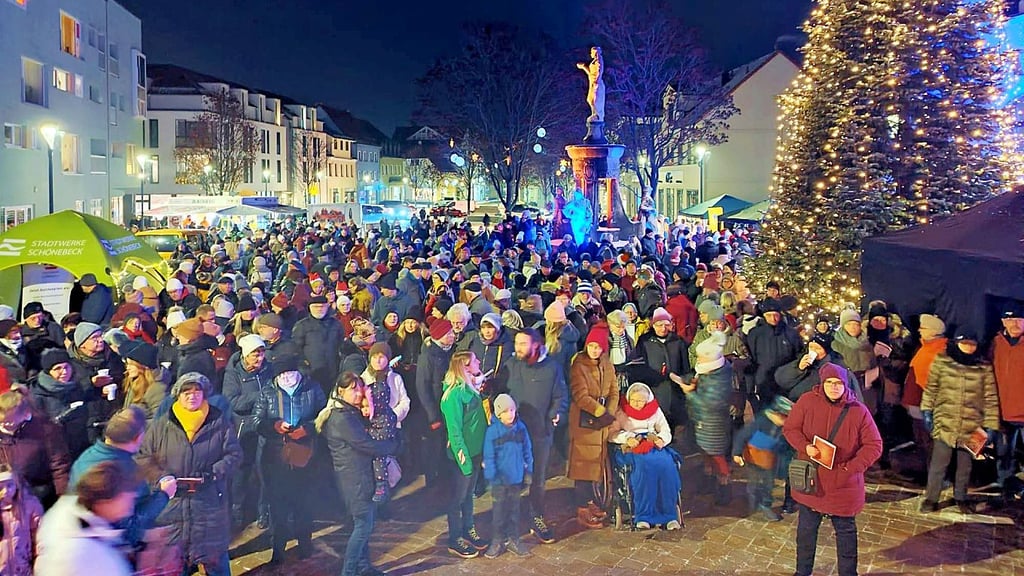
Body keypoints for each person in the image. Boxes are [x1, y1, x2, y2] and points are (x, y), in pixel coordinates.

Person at [136, 372, 242, 576]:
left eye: (197, 391)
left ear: (204, 394)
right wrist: (161, 478)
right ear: (177, 395)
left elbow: (234, 455)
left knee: (215, 558)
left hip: (209, 502)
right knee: (175, 562)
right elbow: (144, 458)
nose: (192, 396)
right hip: (172, 504)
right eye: (186, 392)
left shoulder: (218, 421)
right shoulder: (162, 425)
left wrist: (213, 474)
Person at [783, 362, 882, 576]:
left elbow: (874, 445)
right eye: (829, 382)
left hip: (842, 484)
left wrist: (851, 468)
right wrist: (805, 446)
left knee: (846, 535)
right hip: (813, 481)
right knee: (806, 534)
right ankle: (802, 572)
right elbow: (790, 429)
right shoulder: (807, 402)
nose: (834, 387)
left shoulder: (858, 412)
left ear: (846, 386)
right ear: (822, 383)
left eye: (838, 383)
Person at [317, 372, 400, 576]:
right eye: (353, 389)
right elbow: (366, 444)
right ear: (340, 391)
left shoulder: (350, 413)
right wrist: (391, 445)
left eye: (359, 388)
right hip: (354, 479)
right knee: (363, 526)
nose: (358, 393)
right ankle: (349, 571)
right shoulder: (342, 418)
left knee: (365, 525)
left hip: (359, 477)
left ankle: (363, 567)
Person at [254, 355, 326, 564]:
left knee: (304, 502)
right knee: (278, 505)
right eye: (282, 374)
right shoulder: (267, 391)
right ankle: (278, 549)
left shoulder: (312, 388)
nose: (286, 377)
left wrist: (309, 428)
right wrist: (274, 426)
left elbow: (324, 414)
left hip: (305, 454)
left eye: (290, 373)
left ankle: (305, 544)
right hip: (276, 456)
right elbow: (257, 420)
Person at [919, 331, 999, 514]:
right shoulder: (943, 361)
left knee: (965, 465)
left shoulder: (983, 366)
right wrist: (927, 411)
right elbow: (931, 388)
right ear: (956, 342)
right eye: (965, 343)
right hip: (945, 422)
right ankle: (931, 498)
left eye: (973, 344)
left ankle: (961, 496)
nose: (969, 347)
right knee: (939, 464)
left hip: (971, 426)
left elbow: (990, 398)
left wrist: (991, 425)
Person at [506, 328, 568, 544]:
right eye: (516, 343)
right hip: (513, 433)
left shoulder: (551, 367)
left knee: (538, 480)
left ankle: (536, 516)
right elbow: (501, 392)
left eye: (522, 343)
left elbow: (561, 396)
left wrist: (556, 415)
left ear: (535, 344)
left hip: (541, 432)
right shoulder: (511, 365)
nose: (518, 348)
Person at [35, 461, 138, 576]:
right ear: (104, 502)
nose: (131, 504)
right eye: (127, 498)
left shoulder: (73, 512)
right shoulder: (76, 552)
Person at [611, 383, 681, 530]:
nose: (637, 404)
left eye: (641, 401)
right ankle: (644, 515)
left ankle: (669, 515)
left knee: (667, 466)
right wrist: (626, 438)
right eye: (634, 400)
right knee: (643, 468)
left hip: (652, 444)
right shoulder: (621, 411)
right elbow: (612, 434)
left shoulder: (655, 410)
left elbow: (665, 430)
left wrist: (661, 439)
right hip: (632, 447)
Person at [567, 323, 618, 529]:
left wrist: (610, 413)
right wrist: (600, 412)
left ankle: (590, 501)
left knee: (596, 463)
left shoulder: (606, 363)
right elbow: (580, 395)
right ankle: (581, 507)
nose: (595, 350)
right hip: (585, 420)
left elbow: (614, 389)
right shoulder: (579, 364)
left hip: (602, 419)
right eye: (592, 346)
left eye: (598, 347)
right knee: (582, 466)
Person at [440, 351, 489, 558]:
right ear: (465, 367)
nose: (478, 362)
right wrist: (465, 461)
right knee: (458, 498)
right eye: (475, 360)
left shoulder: (468, 387)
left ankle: (469, 529)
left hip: (476, 452)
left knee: (468, 496)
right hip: (464, 456)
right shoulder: (452, 395)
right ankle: (455, 537)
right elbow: (455, 431)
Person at [222, 333, 274, 528]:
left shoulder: (269, 370)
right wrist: (260, 396)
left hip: (265, 427)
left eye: (261, 354)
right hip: (244, 428)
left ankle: (264, 512)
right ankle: (237, 511)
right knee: (241, 472)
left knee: (264, 470)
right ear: (245, 355)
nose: (260, 359)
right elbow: (233, 401)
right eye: (255, 355)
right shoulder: (234, 374)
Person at [679, 332, 735, 505]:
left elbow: (708, 404)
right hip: (704, 424)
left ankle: (724, 489)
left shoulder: (719, 379)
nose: (699, 361)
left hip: (713, 426)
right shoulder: (711, 372)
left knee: (717, 457)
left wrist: (689, 393)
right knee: (707, 454)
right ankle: (709, 481)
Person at [482, 394, 533, 558]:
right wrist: (491, 474)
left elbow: (527, 450)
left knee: (514, 510)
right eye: (506, 411)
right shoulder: (493, 432)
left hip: (516, 478)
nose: (510, 414)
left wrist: (529, 469)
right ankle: (497, 540)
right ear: (498, 414)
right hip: (499, 481)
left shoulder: (521, 428)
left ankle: (513, 538)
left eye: (512, 410)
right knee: (498, 512)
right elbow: (489, 455)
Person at [0, 390, 70, 509]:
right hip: (5, 492)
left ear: (25, 415)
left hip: (37, 491)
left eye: (9, 422)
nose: (3, 426)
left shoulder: (46, 429)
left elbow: (59, 464)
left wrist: (64, 497)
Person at [359, 342, 409, 504]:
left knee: (389, 464)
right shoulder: (363, 379)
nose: (378, 361)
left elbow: (404, 400)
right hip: (371, 427)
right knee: (376, 464)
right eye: (375, 357)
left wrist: (392, 417)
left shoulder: (395, 378)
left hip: (392, 427)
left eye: (382, 357)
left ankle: (387, 500)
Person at [732, 395, 792, 522]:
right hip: (753, 458)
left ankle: (765, 505)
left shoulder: (782, 428)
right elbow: (742, 436)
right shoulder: (760, 422)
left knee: (768, 484)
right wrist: (737, 453)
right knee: (753, 482)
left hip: (769, 461)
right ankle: (752, 501)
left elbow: (783, 445)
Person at [29, 349, 91, 461]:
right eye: (57, 369)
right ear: (48, 372)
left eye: (66, 367)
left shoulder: (76, 386)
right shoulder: (38, 395)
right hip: (58, 452)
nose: (64, 372)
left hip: (81, 447)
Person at [992, 307, 1024, 500]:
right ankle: (1006, 487)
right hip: (1002, 411)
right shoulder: (995, 343)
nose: (1015, 324)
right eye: (1010, 320)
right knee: (1003, 455)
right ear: (1003, 322)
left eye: (1020, 320)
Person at [0, 465, 42, 576]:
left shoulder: (29, 506)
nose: (5, 491)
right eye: (0, 487)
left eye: (9, 485)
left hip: (24, 570)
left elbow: (40, 539)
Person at [119, 341, 168, 422]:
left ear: (143, 366)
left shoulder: (157, 388)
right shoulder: (135, 381)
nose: (128, 368)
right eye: (127, 364)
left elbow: (160, 420)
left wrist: (137, 426)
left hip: (145, 432)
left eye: (131, 365)